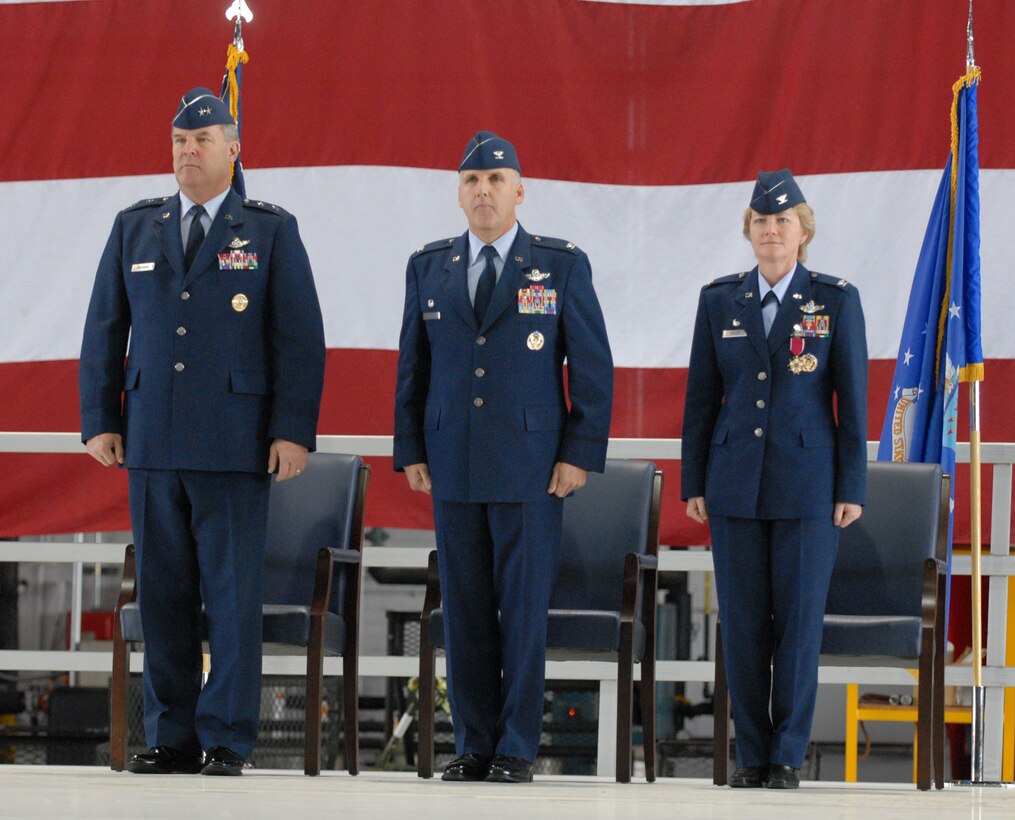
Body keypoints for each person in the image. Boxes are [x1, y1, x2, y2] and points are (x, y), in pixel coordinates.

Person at [79, 88, 325, 776]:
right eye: (180, 141)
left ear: (233, 149)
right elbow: (105, 330)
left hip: (235, 441)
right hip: (152, 440)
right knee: (163, 599)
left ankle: (227, 737)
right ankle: (171, 736)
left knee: (231, 597)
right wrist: (100, 419)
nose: (189, 151)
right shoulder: (136, 227)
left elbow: (298, 339)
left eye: (204, 140)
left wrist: (292, 431)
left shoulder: (269, 229)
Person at [394, 131, 613, 783]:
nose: (482, 190)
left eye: (495, 180)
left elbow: (592, 369)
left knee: (521, 611)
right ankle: (472, 744)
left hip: (531, 467)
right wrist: (410, 445)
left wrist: (578, 452)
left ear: (520, 191)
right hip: (452, 461)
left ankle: (515, 746)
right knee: (462, 612)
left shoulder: (559, 265)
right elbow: (414, 365)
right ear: (458, 194)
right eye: (470, 181)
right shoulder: (428, 266)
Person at [681, 169, 867, 789]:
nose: (770, 231)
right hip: (734, 482)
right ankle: (750, 754)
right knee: (742, 624)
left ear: (803, 231)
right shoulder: (719, 299)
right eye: (760, 222)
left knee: (797, 623)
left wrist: (851, 487)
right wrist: (694, 480)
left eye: (782, 221)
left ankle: (785, 755)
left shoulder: (835, 299)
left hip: (808, 485)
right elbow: (701, 400)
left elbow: (852, 402)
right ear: (749, 232)